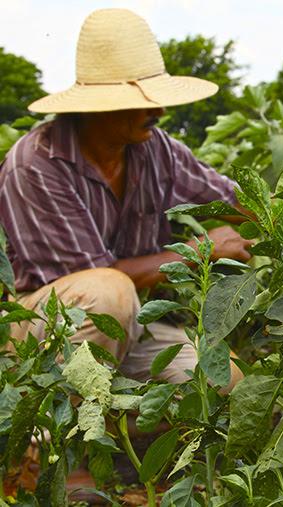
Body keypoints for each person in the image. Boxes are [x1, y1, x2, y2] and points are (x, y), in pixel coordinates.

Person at [0, 8, 256, 387]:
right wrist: (201, 250)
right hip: (47, 333)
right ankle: (40, 426)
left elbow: (232, 200)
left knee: (229, 380)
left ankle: (111, 423)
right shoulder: (37, 164)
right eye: (144, 99)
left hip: (132, 325)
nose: (160, 110)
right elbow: (92, 286)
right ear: (98, 106)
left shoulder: (155, 149)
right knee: (109, 294)